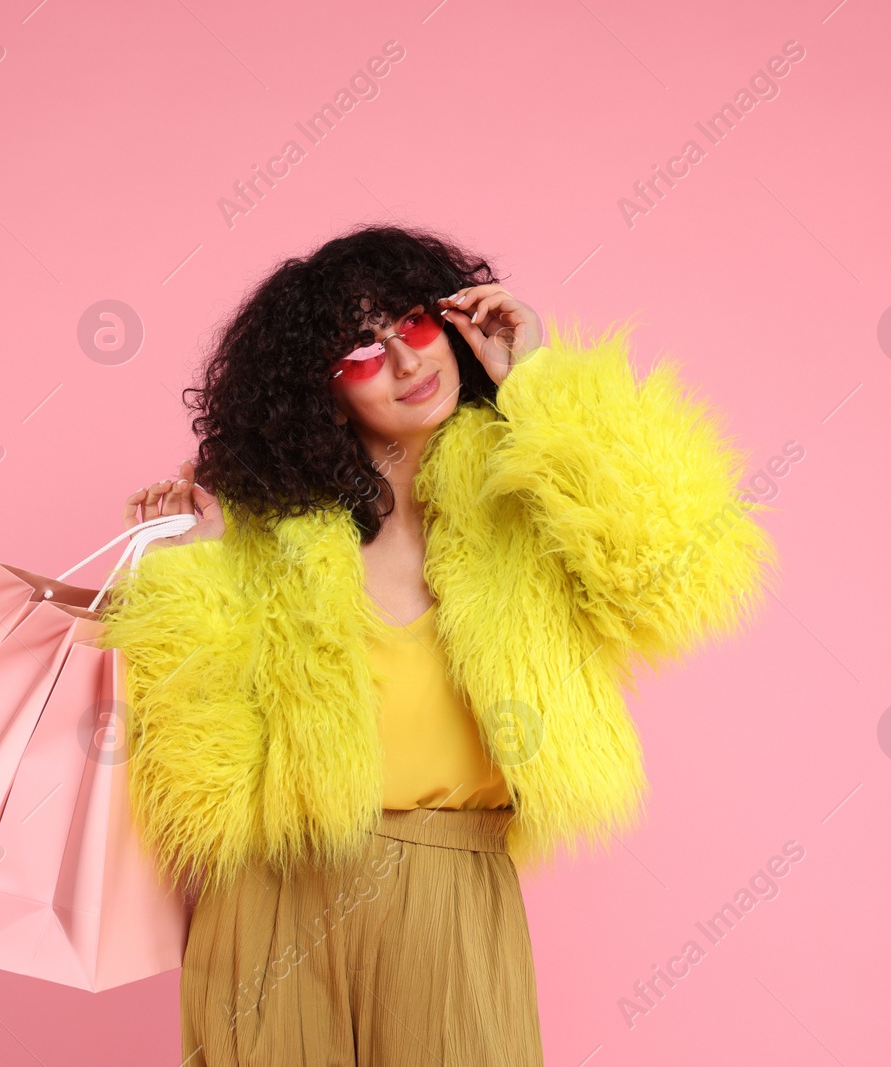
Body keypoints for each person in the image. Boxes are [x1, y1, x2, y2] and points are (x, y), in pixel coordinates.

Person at [100, 224, 778, 1065]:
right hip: (273, 896)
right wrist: (187, 577)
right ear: (319, 389)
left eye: (412, 324)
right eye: (360, 349)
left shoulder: (533, 494)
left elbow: (681, 564)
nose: (406, 361)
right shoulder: (261, 535)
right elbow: (202, 781)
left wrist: (540, 384)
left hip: (453, 889)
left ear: (452, 322)